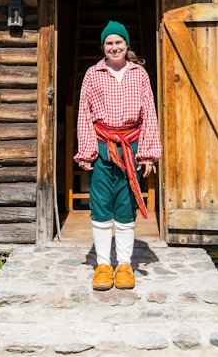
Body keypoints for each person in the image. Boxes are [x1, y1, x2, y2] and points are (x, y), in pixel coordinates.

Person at [75, 20, 162, 291]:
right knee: (100, 205)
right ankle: (103, 265)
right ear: (103, 47)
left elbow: (149, 113)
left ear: (127, 45)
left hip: (131, 146)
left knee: (126, 206)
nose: (114, 47)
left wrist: (147, 154)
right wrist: (87, 151)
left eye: (119, 42)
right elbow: (84, 115)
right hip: (102, 145)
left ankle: (124, 264)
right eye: (109, 43)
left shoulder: (139, 74)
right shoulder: (93, 74)